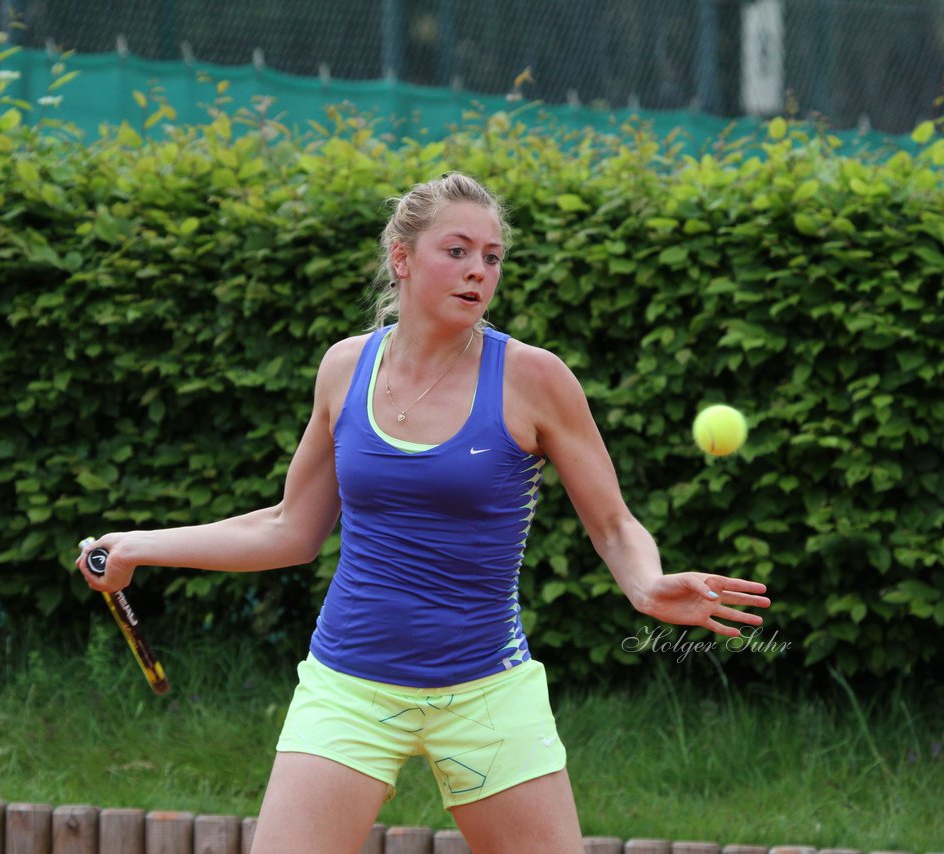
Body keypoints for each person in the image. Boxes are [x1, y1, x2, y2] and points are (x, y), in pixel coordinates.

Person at [76, 172, 771, 854]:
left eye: (492, 257)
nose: (479, 271)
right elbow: (290, 528)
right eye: (458, 251)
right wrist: (138, 546)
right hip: (349, 685)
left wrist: (645, 585)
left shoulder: (534, 378)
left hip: (485, 691)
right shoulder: (346, 370)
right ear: (401, 259)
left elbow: (615, 525)